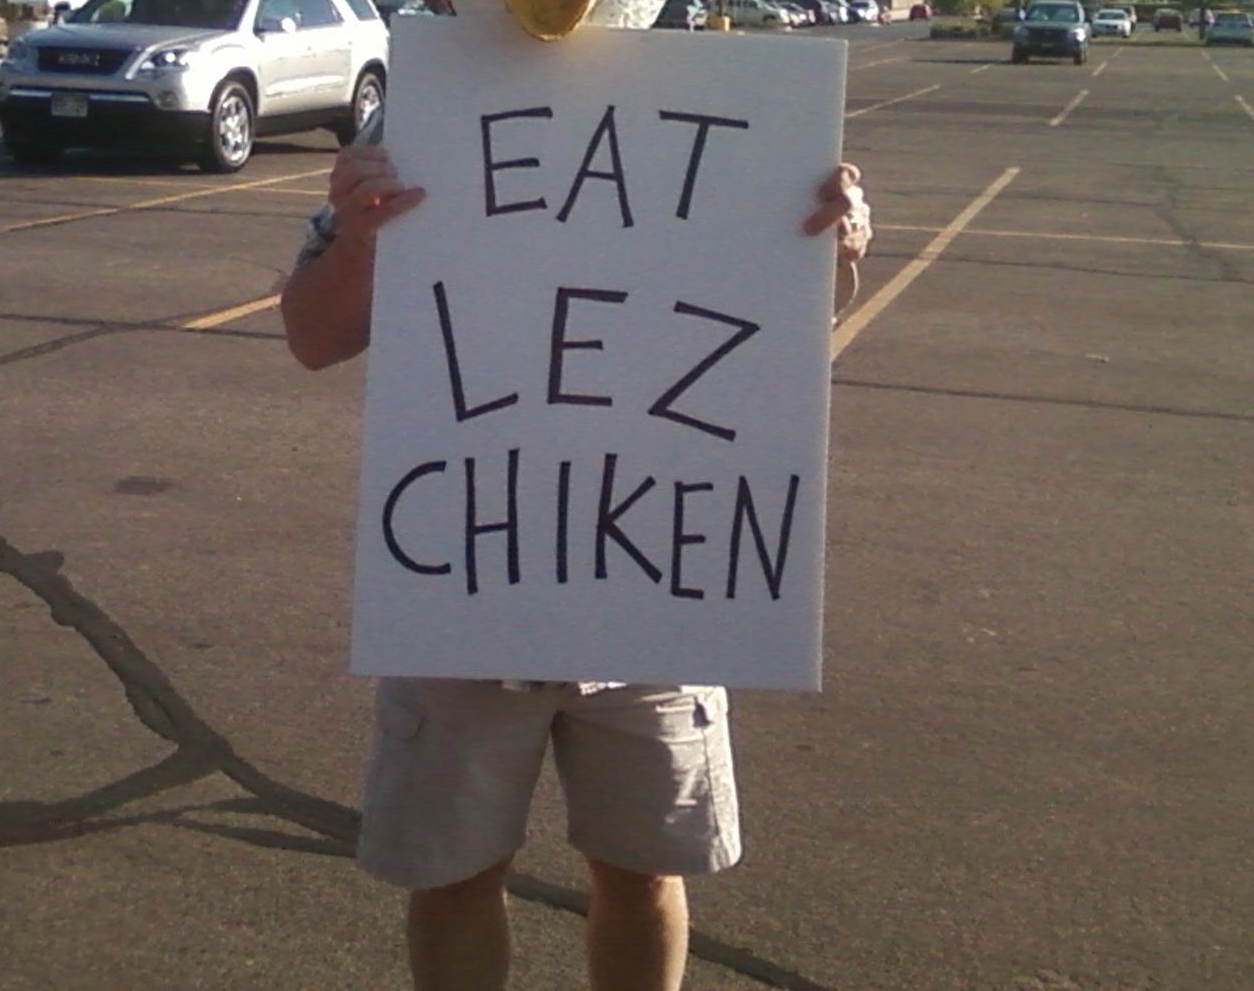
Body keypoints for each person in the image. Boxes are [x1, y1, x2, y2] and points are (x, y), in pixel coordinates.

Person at [281, 129, 872, 991]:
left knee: (642, 872)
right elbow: (312, 335)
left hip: (650, 587)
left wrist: (834, 246)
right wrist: (356, 236)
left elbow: (768, 333)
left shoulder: (721, 125)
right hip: (468, 587)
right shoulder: (419, 131)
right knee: (457, 873)